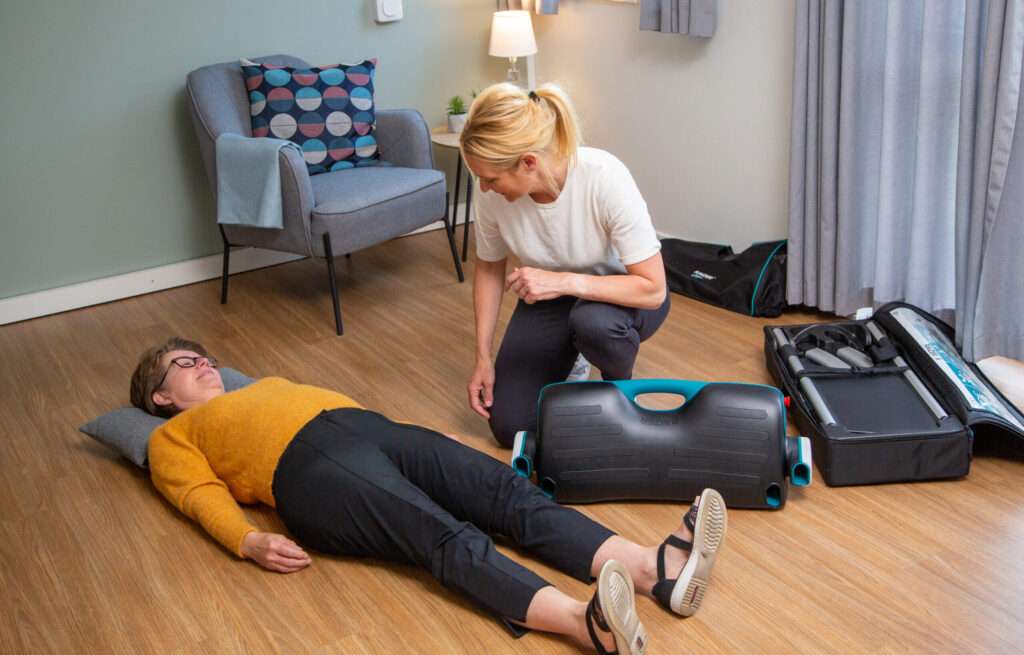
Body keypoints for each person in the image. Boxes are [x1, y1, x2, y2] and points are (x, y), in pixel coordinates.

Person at [132, 337, 728, 654]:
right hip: (308, 470)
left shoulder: (257, 385)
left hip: (374, 432)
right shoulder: (172, 436)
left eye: (203, 356)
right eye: (184, 364)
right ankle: (584, 625)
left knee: (502, 490)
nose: (204, 364)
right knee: (438, 531)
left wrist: (419, 438)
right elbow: (197, 495)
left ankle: (657, 571)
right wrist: (248, 539)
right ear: (160, 396)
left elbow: (340, 408)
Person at [460, 83, 671, 448]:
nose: (485, 186)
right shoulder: (490, 194)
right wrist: (483, 357)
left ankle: (618, 394)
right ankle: (571, 354)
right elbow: (489, 268)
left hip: (621, 296)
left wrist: (564, 282)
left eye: (492, 178)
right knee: (510, 427)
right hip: (549, 298)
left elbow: (653, 290)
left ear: (529, 162)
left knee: (594, 323)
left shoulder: (603, 176)